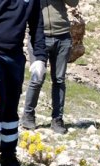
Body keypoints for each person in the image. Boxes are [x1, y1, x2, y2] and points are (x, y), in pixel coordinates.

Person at [0, 0, 48, 166]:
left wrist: (39, 57)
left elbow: (37, 27)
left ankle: (8, 155)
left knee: (11, 106)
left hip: (15, 57)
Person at [21, 0, 78, 134]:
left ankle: (57, 119)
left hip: (62, 35)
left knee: (59, 79)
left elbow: (73, 3)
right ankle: (28, 115)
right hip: (38, 35)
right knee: (37, 78)